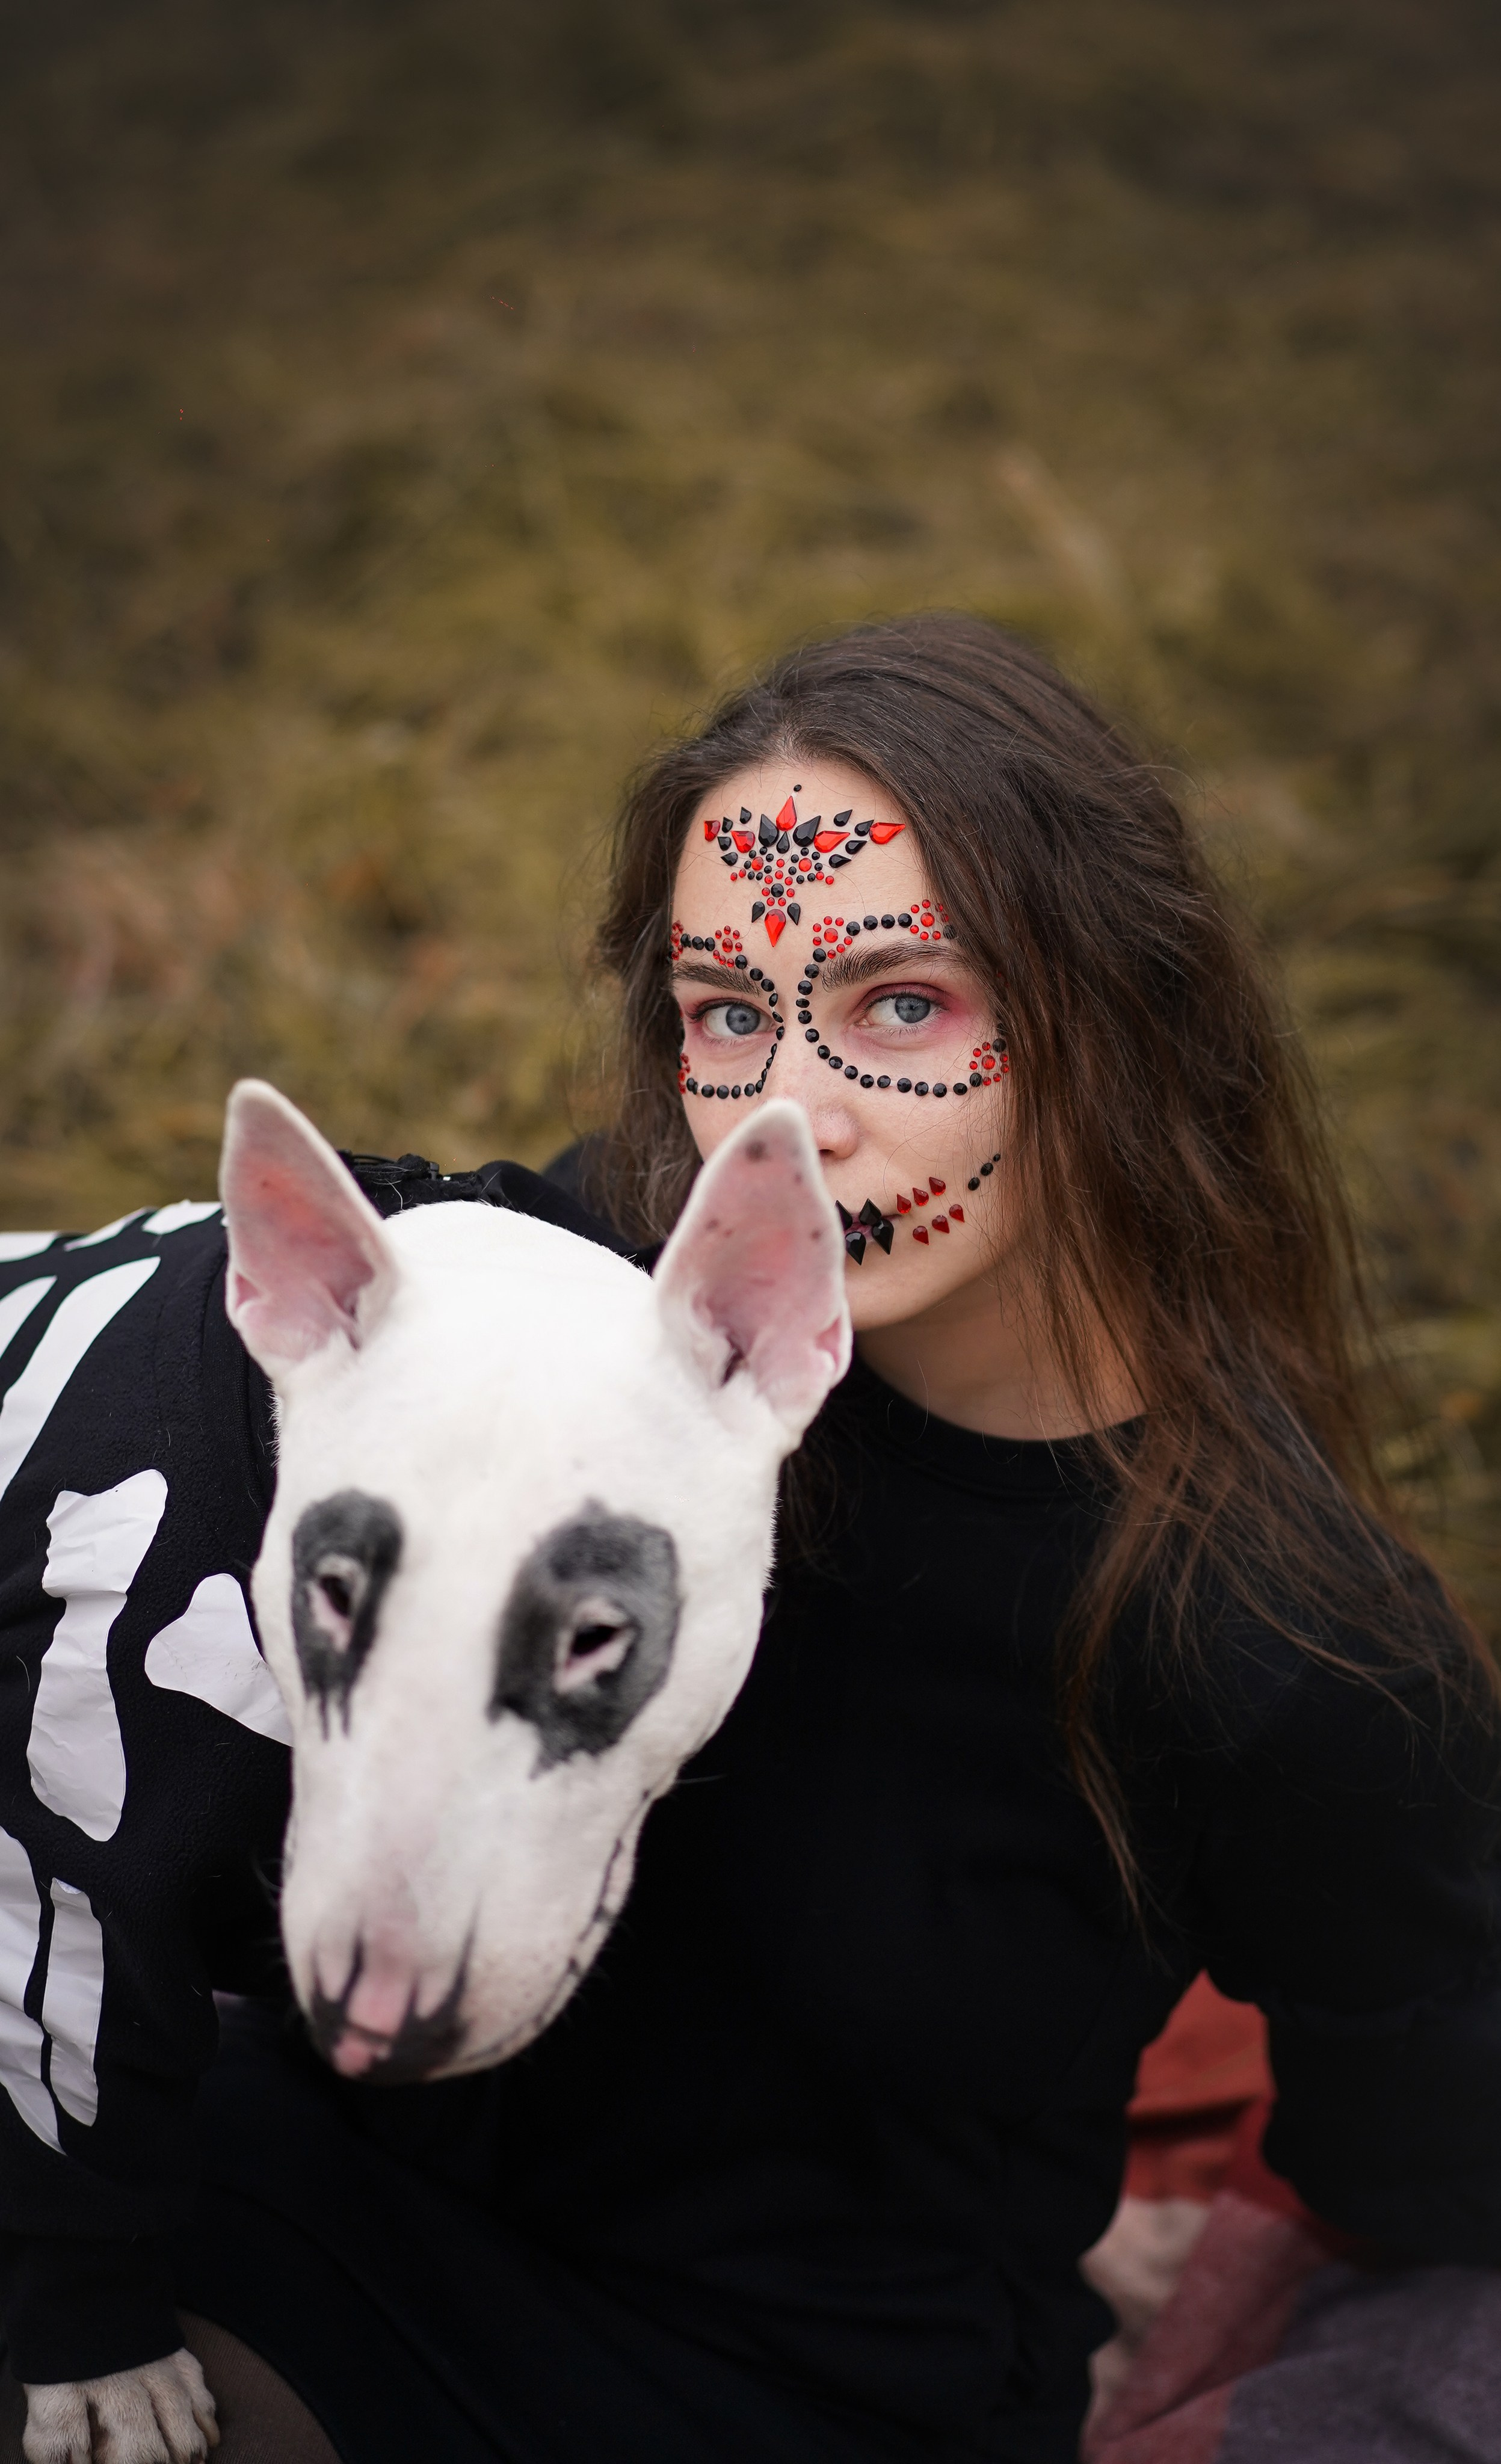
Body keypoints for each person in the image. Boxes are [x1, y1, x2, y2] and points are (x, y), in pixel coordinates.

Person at [1, 614, 1498, 2464]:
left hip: (766, 2383)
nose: (798, 1110)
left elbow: (1427, 2142)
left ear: (1121, 1010)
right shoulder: (613, 1294)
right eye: (728, 1013)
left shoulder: (1290, 1648)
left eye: (902, 1004)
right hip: (312, 2154)